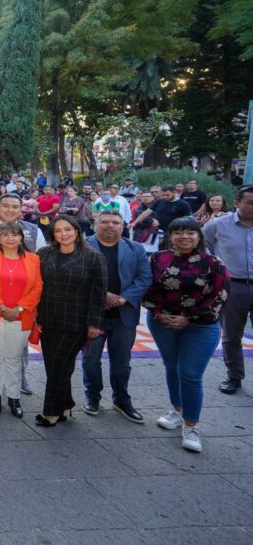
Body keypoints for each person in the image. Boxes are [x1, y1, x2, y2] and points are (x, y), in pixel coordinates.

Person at [144, 217, 230, 452]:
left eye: (190, 233)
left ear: (199, 236)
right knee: (172, 367)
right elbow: (145, 287)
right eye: (179, 232)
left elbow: (220, 296)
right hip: (162, 322)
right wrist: (158, 313)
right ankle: (177, 410)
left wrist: (188, 317)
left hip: (201, 325)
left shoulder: (213, 263)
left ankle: (191, 426)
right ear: (170, 236)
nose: (185, 237)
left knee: (190, 374)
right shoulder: (156, 259)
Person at [35, 215, 107, 427]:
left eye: (67, 229)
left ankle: (52, 412)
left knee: (59, 365)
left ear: (77, 231)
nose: (63, 234)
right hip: (48, 317)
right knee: (55, 365)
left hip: (76, 320)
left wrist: (95, 323)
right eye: (58, 230)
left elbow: (99, 293)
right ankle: (65, 402)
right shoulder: (44, 253)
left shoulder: (93, 257)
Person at [82, 211, 153, 422]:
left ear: (123, 226)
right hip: (92, 316)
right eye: (104, 221)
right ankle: (92, 396)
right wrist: (101, 295)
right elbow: (75, 277)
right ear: (95, 225)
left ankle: (122, 399)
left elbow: (144, 278)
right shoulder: (82, 246)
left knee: (122, 363)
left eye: (115, 222)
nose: (110, 225)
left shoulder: (136, 248)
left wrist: (123, 299)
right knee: (91, 361)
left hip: (124, 316)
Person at [0, 193, 46, 395]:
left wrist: (25, 305)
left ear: (21, 209)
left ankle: (20, 378)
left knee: (19, 346)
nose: (10, 210)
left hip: (22, 301)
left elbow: (41, 263)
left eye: (15, 206)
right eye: (5, 206)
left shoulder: (34, 230)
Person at [205, 184, 253, 395]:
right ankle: (234, 377)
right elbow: (203, 246)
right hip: (233, 286)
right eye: (250, 203)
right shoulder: (217, 225)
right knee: (232, 335)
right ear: (236, 203)